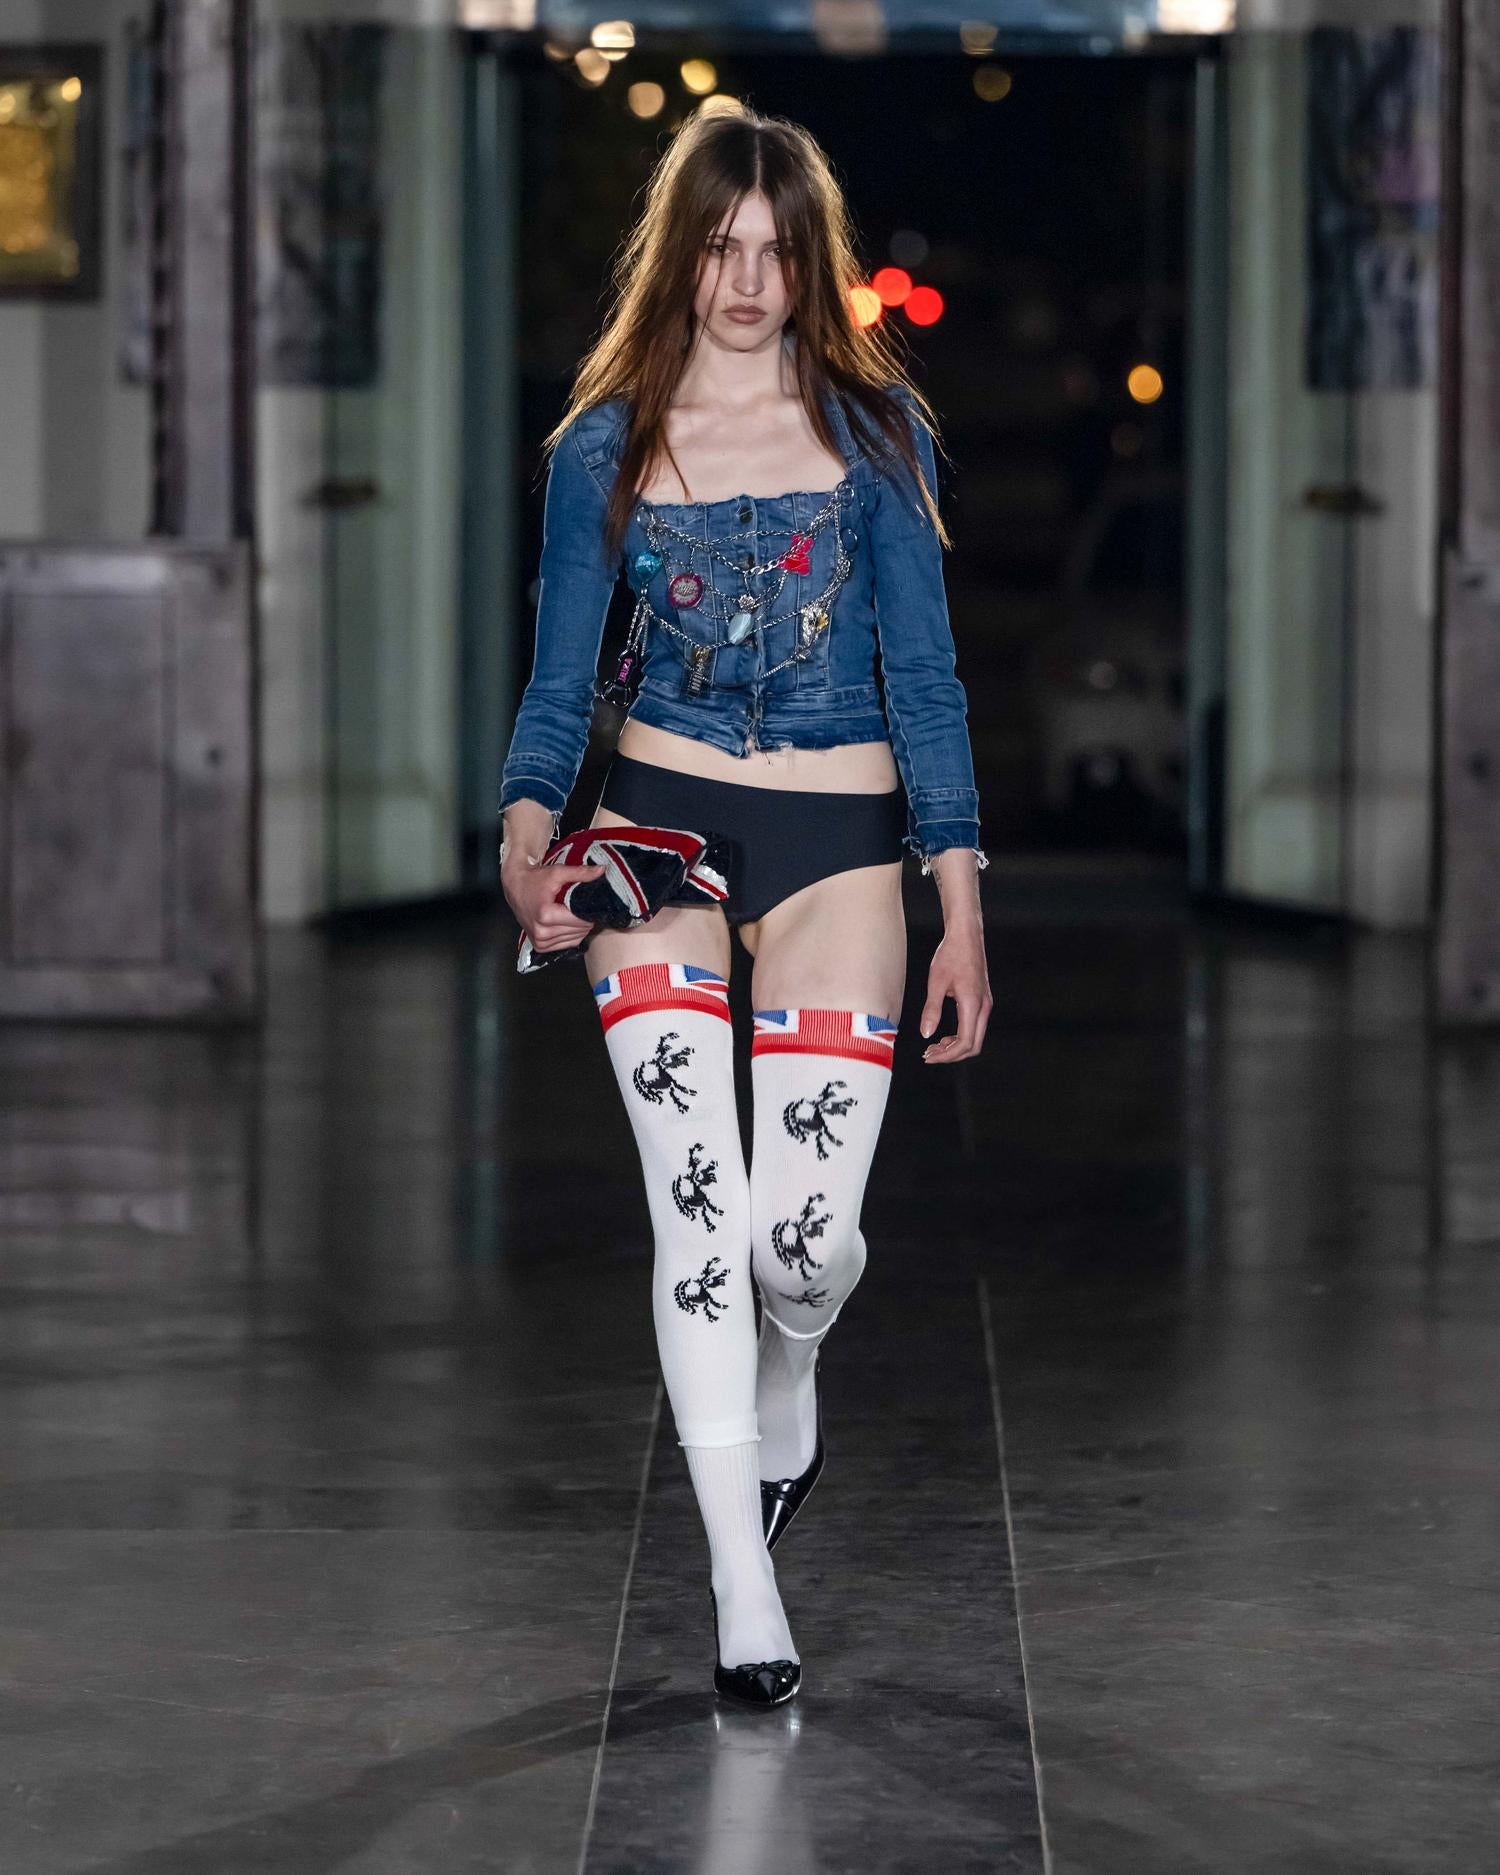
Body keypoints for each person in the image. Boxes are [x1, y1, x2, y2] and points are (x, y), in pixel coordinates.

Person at [498, 104, 991, 1708]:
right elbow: (559, 677)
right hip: (654, 839)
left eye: (777, 251)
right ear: (681, 255)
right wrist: (525, 835)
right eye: (721, 247)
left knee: (800, 1245)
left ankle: (794, 1376)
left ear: (813, 263)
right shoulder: (605, 446)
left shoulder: (878, 437)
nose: (748, 280)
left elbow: (926, 681)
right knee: (699, 1209)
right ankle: (738, 1573)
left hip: (843, 846)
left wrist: (960, 901)